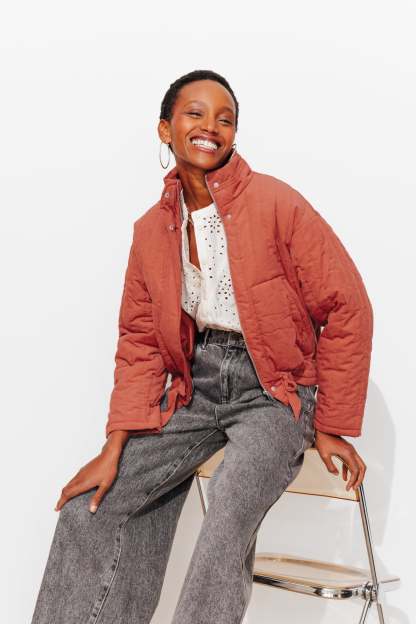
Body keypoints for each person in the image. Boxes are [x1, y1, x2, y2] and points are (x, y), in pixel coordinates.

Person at [31, 69, 373, 624]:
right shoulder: (151, 230)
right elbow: (141, 341)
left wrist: (329, 425)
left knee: (226, 516)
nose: (211, 126)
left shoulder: (276, 203)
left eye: (225, 118)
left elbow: (347, 306)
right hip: (197, 385)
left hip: (275, 393)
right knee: (89, 508)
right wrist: (115, 447)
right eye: (195, 113)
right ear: (165, 129)